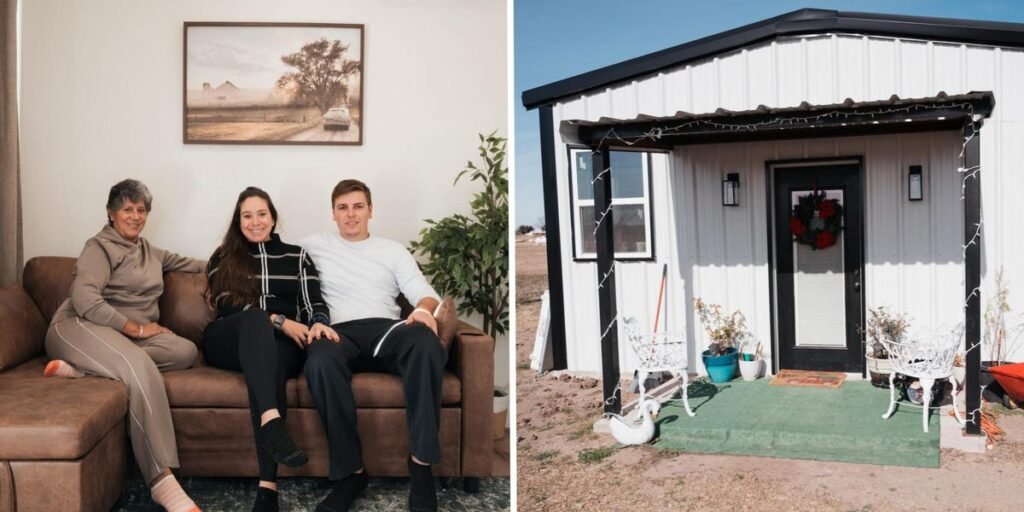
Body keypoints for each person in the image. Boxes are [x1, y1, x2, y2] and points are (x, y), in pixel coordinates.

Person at [43, 179, 204, 512]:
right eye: (127, 209)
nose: (135, 216)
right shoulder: (98, 248)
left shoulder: (151, 253)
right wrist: (139, 330)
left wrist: (239, 265)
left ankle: (84, 370)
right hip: (78, 326)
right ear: (111, 213)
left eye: (141, 210)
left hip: (118, 340)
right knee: (136, 363)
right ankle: (162, 480)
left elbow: (197, 265)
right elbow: (85, 299)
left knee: (184, 350)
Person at [301, 179, 448, 512]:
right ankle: (351, 474)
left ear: (370, 210)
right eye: (343, 208)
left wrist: (424, 310)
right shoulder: (312, 246)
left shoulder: (392, 250)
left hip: (386, 331)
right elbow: (272, 258)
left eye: (358, 206)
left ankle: (422, 467)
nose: (350, 215)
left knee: (425, 343)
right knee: (319, 361)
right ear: (333, 214)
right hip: (337, 334)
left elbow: (422, 292)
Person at [202, 186, 339, 512]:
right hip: (230, 338)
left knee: (271, 363)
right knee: (253, 320)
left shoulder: (296, 256)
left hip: (279, 347)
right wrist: (277, 320)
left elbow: (314, 302)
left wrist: (319, 321)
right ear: (238, 221)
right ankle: (272, 419)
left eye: (261, 214)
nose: (255, 221)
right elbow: (227, 305)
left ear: (273, 217)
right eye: (247, 216)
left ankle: (268, 487)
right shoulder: (223, 256)